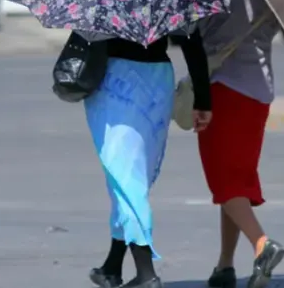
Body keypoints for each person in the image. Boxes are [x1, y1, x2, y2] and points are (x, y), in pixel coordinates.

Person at [85, 32, 212, 288]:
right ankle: (112, 265)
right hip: (158, 78)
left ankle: (146, 274)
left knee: (126, 180)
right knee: (130, 178)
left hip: (116, 78)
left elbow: (87, 32)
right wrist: (203, 99)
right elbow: (191, 39)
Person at [196, 0, 284, 288]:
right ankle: (225, 265)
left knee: (224, 180)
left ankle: (262, 244)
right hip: (259, 89)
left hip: (223, 86)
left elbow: (190, 32)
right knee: (237, 178)